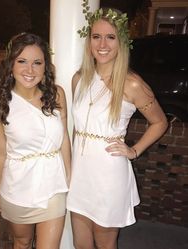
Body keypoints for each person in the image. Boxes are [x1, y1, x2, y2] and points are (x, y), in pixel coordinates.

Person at [67, 6, 168, 249]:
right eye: (96, 36)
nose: (102, 44)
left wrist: (134, 151)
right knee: (81, 243)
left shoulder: (131, 84)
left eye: (110, 37)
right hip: (81, 173)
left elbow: (160, 122)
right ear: (89, 41)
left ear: (121, 42)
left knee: (104, 242)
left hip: (108, 174)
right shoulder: (79, 79)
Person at [0, 32, 71, 249]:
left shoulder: (57, 95)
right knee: (22, 242)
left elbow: (64, 140)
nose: (29, 70)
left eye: (37, 63)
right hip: (17, 187)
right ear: (11, 65)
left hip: (53, 185)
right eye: (21, 61)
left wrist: (70, 180)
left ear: (45, 67)